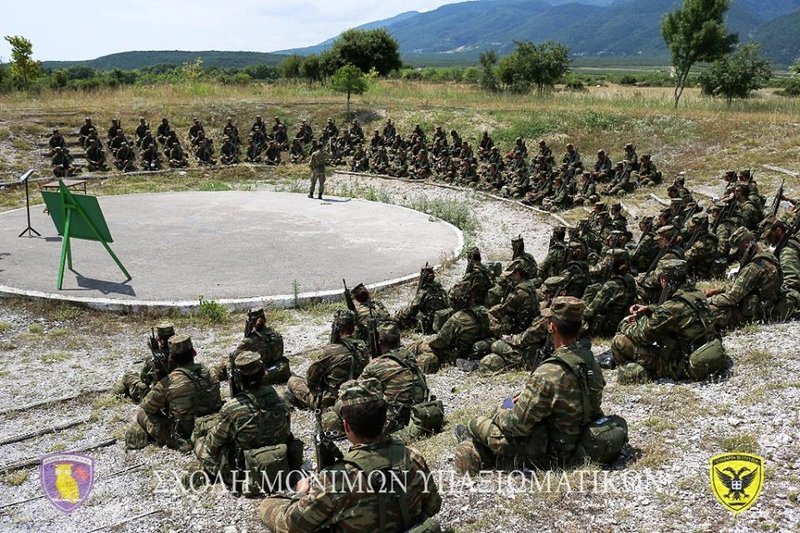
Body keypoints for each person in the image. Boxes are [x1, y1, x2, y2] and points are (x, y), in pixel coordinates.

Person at [259, 378, 442, 532]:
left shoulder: (337, 479)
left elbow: (293, 524)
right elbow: (434, 506)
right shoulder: (412, 456)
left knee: (268, 505)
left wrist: (300, 493)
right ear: (385, 420)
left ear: (346, 426)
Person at [453, 297, 605, 474]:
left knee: (475, 423)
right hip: (579, 440)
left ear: (552, 327)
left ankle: (478, 444)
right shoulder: (590, 361)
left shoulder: (549, 371)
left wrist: (502, 409)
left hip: (550, 452)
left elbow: (516, 425)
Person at [188, 352, 304, 494]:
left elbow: (213, 444)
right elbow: (286, 431)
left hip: (246, 471)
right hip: (281, 463)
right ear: (263, 373)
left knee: (200, 442)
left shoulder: (232, 408)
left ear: (239, 379)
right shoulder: (281, 399)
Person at [609, 259, 719, 380]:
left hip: (680, 364)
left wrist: (625, 324)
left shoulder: (670, 308)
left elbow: (643, 336)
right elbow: (679, 311)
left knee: (619, 341)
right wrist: (649, 308)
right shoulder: (697, 294)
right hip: (704, 352)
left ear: (663, 280)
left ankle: (639, 372)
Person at [125, 335, 222, 451]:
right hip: (214, 428)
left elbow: (148, 406)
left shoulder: (168, 383)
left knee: (142, 412)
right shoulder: (211, 372)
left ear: (172, 358)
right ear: (193, 353)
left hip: (184, 436)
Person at [286, 310, 368, 422]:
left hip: (333, 400)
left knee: (293, 380)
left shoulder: (331, 350)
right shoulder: (362, 346)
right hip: (357, 396)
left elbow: (311, 379)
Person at [360, 324, 440, 438]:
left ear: (380, 341)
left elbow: (357, 390)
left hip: (396, 419)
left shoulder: (375, 365)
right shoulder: (408, 355)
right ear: (398, 339)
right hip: (419, 411)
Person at [707, 227, 790, 328]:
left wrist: (707, 301)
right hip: (764, 306)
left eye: (739, 251)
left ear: (747, 246)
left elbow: (731, 298)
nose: (738, 256)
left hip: (753, 313)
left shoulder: (754, 267)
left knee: (708, 311)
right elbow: (741, 286)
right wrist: (718, 290)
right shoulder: (765, 256)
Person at [413, 281, 492, 373]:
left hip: (458, 355)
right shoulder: (482, 311)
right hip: (474, 350)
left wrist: (429, 342)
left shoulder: (457, 319)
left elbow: (440, 341)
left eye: (453, 300)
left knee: (420, 345)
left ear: (459, 301)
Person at [114, 323, 176, 403]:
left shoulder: (152, 360)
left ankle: (120, 392)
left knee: (128, 376)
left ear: (160, 340)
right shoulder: (182, 354)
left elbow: (144, 379)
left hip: (160, 397)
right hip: (179, 391)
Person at [583, 249, 637, 338]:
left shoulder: (611, 285)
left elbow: (590, 312)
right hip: (622, 322)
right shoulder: (629, 279)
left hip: (608, 328)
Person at [395, 265, 449, 334]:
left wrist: (400, 315)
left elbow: (411, 310)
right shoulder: (441, 289)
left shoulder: (424, 292)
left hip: (429, 326)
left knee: (403, 318)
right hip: (442, 322)